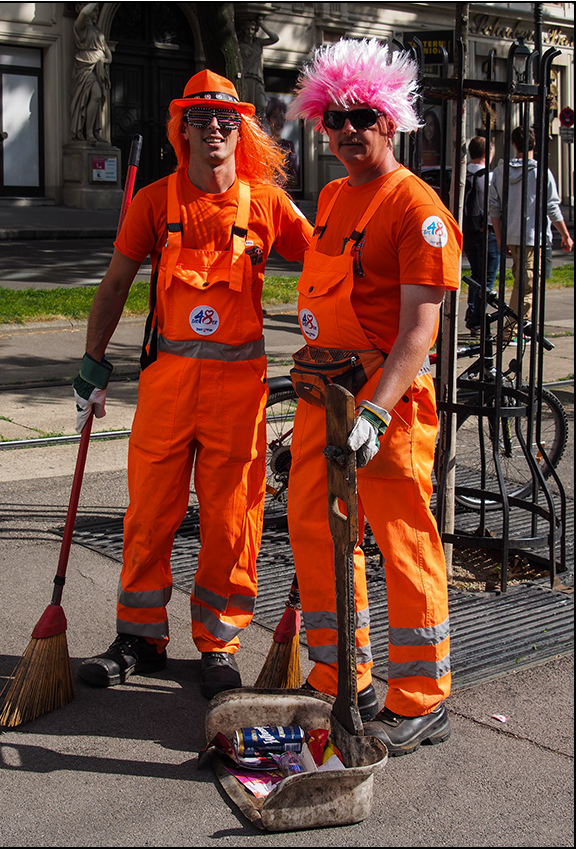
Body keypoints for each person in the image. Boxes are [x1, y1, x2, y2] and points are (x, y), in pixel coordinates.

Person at [73, 70, 312, 698]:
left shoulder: (267, 204)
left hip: (239, 395)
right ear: (181, 129)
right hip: (167, 389)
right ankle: (140, 636)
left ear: (244, 130)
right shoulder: (155, 201)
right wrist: (92, 365)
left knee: (233, 519)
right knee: (150, 512)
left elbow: (327, 265)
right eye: (200, 118)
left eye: (226, 119)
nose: (214, 128)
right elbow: (117, 282)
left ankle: (219, 643)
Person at [287, 38, 462, 756]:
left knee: (401, 543)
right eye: (333, 116)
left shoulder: (415, 207)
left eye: (361, 115)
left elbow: (419, 333)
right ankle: (341, 676)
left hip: (381, 406)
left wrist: (376, 412)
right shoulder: (331, 196)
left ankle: (421, 698)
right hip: (320, 397)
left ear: (389, 119)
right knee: (315, 532)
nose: (346, 128)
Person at [488, 125, 573, 337]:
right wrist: (565, 234)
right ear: (535, 145)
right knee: (528, 287)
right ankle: (511, 330)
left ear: (514, 144)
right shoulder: (540, 173)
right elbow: (552, 206)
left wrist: (501, 238)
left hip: (512, 234)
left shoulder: (501, 171)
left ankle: (514, 327)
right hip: (532, 236)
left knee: (521, 283)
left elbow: (494, 208)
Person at [463, 136, 500, 335]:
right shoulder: (491, 177)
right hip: (487, 232)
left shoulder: (463, 175)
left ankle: (471, 313)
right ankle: (477, 321)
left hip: (468, 232)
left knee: (475, 276)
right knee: (486, 279)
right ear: (487, 154)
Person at [70, 2, 112, 144]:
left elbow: (108, 52)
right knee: (96, 95)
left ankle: (94, 131)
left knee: (98, 99)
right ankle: (88, 132)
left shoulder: (98, 32)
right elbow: (84, 13)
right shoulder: (81, 28)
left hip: (98, 68)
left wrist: (106, 59)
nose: (96, 13)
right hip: (86, 67)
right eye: (95, 11)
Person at [237, 17, 279, 117]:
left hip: (257, 79)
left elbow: (275, 38)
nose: (250, 32)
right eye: (247, 29)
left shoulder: (258, 43)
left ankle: (258, 128)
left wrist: (261, 24)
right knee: (245, 106)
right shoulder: (240, 44)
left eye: (252, 29)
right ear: (243, 29)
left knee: (261, 106)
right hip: (246, 78)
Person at [265, 96, 300, 187]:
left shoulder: (289, 145)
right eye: (275, 117)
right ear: (268, 120)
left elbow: (294, 173)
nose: (279, 123)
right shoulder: (263, 144)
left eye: (282, 118)